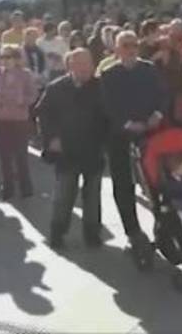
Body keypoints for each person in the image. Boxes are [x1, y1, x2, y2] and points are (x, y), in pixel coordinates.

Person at [99, 31, 166, 259]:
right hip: (119, 135)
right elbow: (107, 106)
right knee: (123, 185)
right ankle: (133, 232)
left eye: (134, 45)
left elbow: (162, 95)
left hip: (150, 133)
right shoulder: (108, 75)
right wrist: (127, 124)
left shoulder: (149, 69)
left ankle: (164, 225)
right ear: (117, 50)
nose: (131, 49)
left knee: (157, 182)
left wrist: (157, 114)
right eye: (125, 45)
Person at [36, 48, 107, 250]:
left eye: (89, 63)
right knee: (64, 194)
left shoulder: (100, 87)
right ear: (70, 66)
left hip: (93, 149)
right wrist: (51, 138)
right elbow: (43, 115)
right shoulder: (56, 88)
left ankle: (92, 233)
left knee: (93, 196)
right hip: (66, 150)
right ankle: (57, 233)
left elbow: (108, 116)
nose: (87, 68)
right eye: (81, 63)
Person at [0, 45, 40, 200]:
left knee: (21, 154)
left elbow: (33, 94)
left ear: (16, 59)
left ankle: (25, 186)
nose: (6, 61)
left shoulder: (25, 74)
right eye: (3, 57)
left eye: (9, 57)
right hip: (0, 118)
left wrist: (24, 101)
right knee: (3, 155)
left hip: (19, 118)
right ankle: (7, 187)